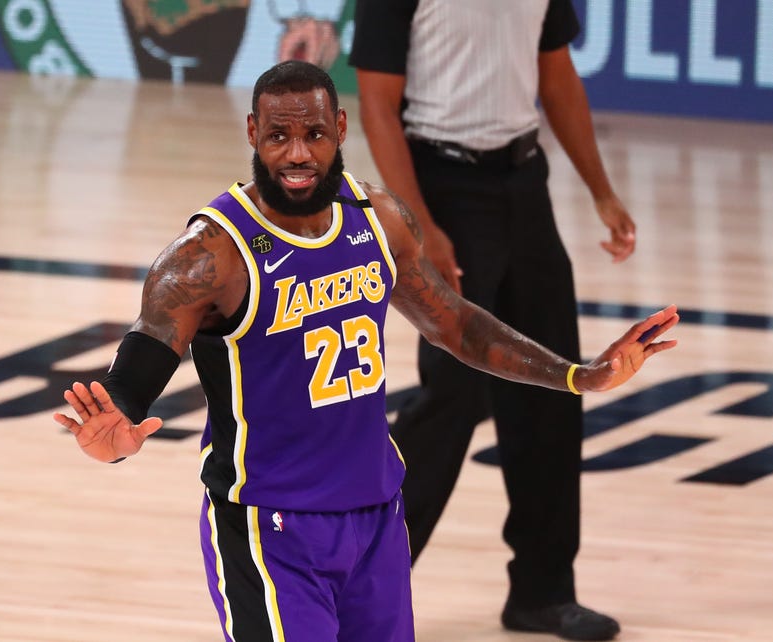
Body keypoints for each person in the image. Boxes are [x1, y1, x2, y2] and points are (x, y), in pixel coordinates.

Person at [53, 61, 676, 642]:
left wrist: (579, 376)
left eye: (314, 134)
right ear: (251, 132)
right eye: (277, 136)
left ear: (340, 129)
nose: (297, 154)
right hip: (271, 528)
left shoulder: (376, 217)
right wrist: (119, 421)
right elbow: (145, 357)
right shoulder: (210, 255)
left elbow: (453, 324)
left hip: (376, 517)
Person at [349, 2, 637, 640]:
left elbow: (556, 76)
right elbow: (376, 104)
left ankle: (542, 592)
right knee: (452, 397)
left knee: (558, 386)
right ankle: (364, 590)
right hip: (441, 182)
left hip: (523, 184)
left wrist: (601, 189)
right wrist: (417, 225)